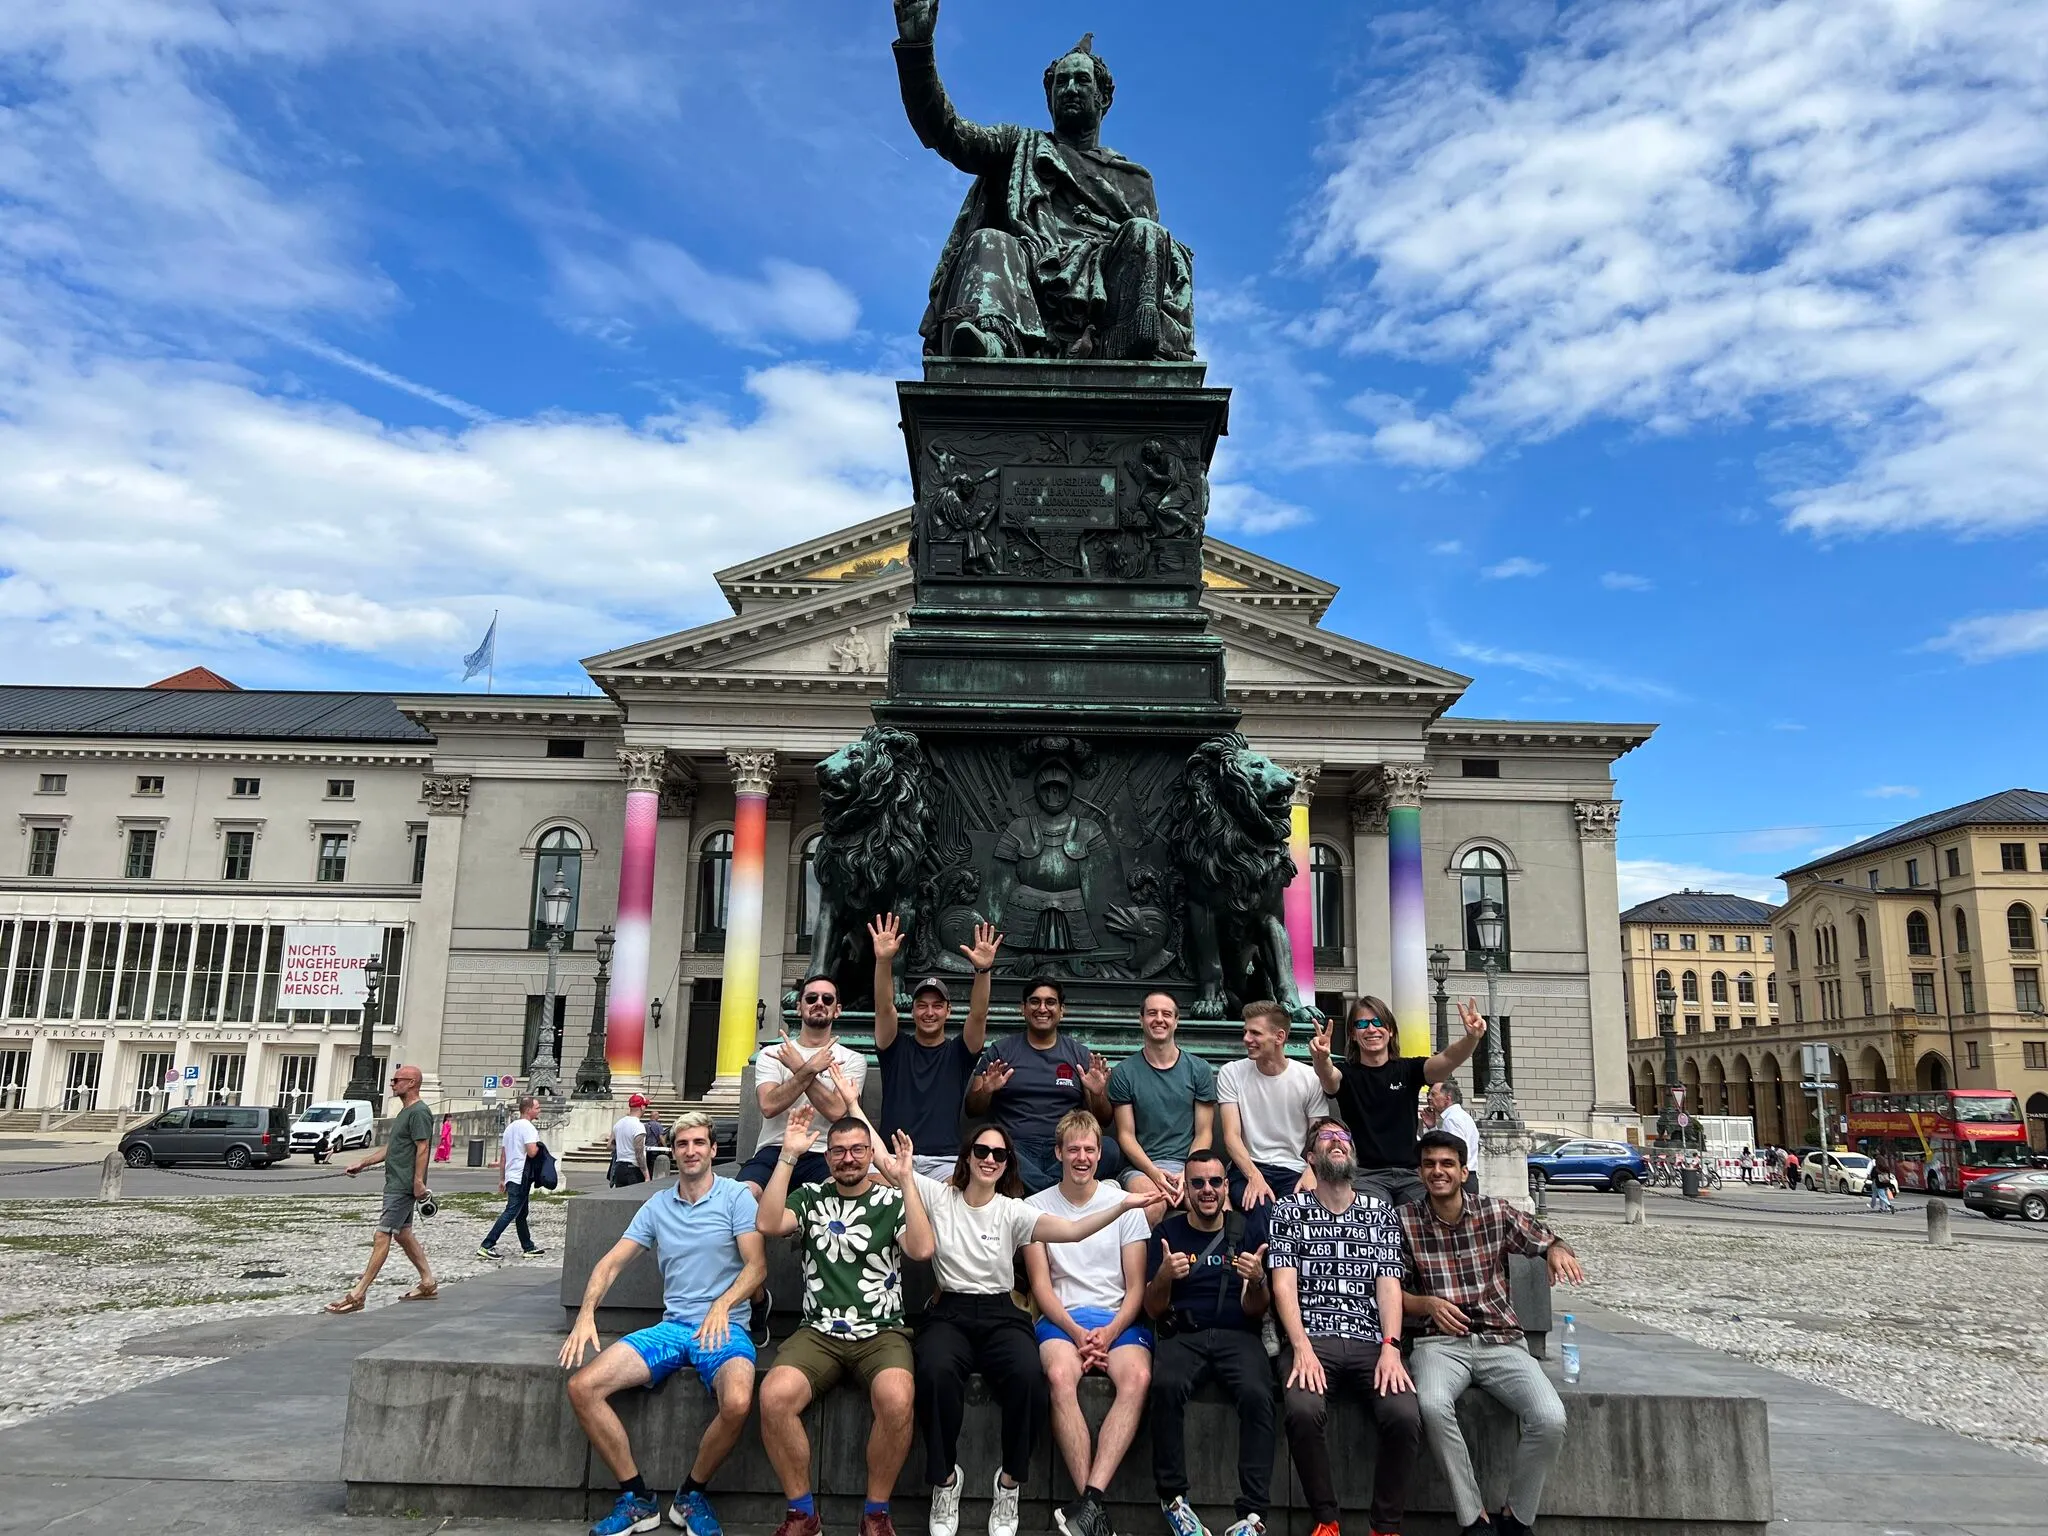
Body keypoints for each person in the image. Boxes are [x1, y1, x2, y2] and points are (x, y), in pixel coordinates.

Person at [911, 1121, 1165, 1536]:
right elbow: (889, 1166)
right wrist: (853, 1107)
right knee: (935, 1372)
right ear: (967, 1156)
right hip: (954, 1311)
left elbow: (1074, 1231)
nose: (989, 1159)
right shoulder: (940, 1196)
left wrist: (1122, 1205)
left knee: (1029, 1377)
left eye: (999, 1154)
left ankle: (1012, 1484)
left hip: (1002, 1310)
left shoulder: (1016, 1209)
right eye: (981, 1152)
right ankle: (945, 1480)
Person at [562, 1113, 765, 1536]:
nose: (690, 1151)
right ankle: (637, 1499)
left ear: (713, 1149)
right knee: (583, 1387)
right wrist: (585, 1314)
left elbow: (757, 1266)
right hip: (672, 1330)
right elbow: (611, 1263)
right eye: (682, 1145)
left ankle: (691, 1496)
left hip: (725, 1330)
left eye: (698, 1143)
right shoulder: (657, 1206)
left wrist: (723, 1304)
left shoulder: (735, 1198)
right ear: (672, 1153)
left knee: (739, 1402)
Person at [756, 1107, 934, 1536]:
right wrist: (787, 1157)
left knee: (897, 1397)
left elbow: (922, 1249)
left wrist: (906, 1179)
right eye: (838, 1151)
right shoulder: (812, 1197)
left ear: (871, 1154)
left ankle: (876, 1514)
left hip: (881, 1331)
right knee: (774, 1397)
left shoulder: (891, 1202)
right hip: (818, 1332)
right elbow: (767, 1222)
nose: (848, 1158)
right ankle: (803, 1514)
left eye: (858, 1150)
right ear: (828, 1155)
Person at [1401, 1130, 1581, 1536]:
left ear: (1464, 1172)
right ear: (1419, 1172)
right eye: (1430, 1164)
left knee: (1549, 1418)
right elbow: (1392, 1293)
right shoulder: (1406, 1220)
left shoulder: (1495, 1212)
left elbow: (1546, 1238)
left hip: (1501, 1341)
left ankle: (1517, 1517)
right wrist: (1427, 1304)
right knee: (1430, 1405)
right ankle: (1473, 1517)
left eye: (1447, 1164)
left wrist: (1555, 1250)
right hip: (1438, 1344)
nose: (1438, 1171)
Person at [1269, 1116, 1420, 1536]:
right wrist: (1299, 1347)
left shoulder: (1380, 1211)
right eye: (1327, 1138)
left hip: (1371, 1340)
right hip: (1312, 1337)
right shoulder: (1289, 1211)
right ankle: (1327, 1520)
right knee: (1302, 1409)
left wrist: (1392, 1347)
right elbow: (1283, 1285)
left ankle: (1385, 1526)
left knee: (1404, 1414)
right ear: (1310, 1157)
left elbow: (1389, 1286)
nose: (1337, 1142)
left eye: (1344, 1137)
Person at [1024, 1111, 1155, 1536]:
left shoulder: (1125, 1205)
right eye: (1074, 1149)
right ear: (1059, 1152)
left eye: (1090, 1150)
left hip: (1118, 1318)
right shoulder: (1034, 1208)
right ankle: (1090, 1511)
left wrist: (1111, 1331)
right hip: (1062, 1319)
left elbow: (1136, 1287)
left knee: (1136, 1376)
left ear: (1100, 1154)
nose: (1082, 1157)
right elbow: (1042, 1288)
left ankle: (1089, 1504)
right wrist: (1079, 1334)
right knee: (1060, 1375)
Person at [1144, 1146, 1273, 1536]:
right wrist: (1165, 1275)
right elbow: (1152, 1308)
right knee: (1165, 1387)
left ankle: (1253, 1514)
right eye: (1197, 1182)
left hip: (1238, 1333)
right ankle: (1173, 1499)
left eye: (1215, 1182)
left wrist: (1258, 1281)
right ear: (1186, 1186)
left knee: (1257, 1395)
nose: (1207, 1190)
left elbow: (1256, 1309)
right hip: (1186, 1333)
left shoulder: (1247, 1230)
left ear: (1224, 1186)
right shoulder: (1167, 1233)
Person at [1309, 995, 1487, 1208]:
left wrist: (1471, 1039)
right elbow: (1328, 1076)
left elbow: (1448, 1059)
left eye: (1378, 1023)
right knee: (1378, 1222)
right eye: (1362, 1024)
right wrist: (1321, 1058)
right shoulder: (1346, 1074)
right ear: (1353, 1035)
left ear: (1390, 1030)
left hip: (1411, 1175)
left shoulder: (1409, 1070)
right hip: (1366, 1175)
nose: (1371, 1029)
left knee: (1428, 1220)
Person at [871, 912, 999, 1178]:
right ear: (913, 1011)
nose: (929, 1012)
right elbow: (884, 1007)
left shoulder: (959, 1053)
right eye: (922, 1006)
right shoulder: (894, 1047)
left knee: (958, 1203)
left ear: (948, 1011)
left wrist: (983, 970)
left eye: (937, 1006)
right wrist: (884, 961)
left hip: (945, 1162)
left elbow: (978, 1014)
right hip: (892, 1157)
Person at [965, 976, 1116, 1193]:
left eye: (1050, 1002)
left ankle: (1039, 1191)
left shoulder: (1080, 1055)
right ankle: (1054, 1192)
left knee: (1109, 1149)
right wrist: (986, 1091)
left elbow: (1103, 1119)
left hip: (1066, 1150)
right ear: (1023, 1009)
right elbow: (972, 1109)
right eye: (1035, 1002)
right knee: (994, 1151)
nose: (1042, 1008)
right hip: (1017, 1150)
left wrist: (1098, 1093)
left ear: (1062, 1010)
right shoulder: (1000, 1052)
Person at [324, 1063, 438, 1312]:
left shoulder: (419, 1112)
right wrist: (362, 1163)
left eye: (397, 1080)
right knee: (403, 1233)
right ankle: (427, 1281)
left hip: (403, 1185)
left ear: (411, 1083)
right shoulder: (405, 1112)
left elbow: (423, 1147)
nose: (393, 1084)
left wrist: (418, 1182)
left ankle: (359, 1293)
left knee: (382, 1234)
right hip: (397, 1181)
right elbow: (392, 1148)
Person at [1216, 1000, 1330, 1245]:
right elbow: (1231, 1136)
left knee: (1299, 1211)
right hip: (1248, 1167)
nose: (1247, 1038)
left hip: (1294, 1170)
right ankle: (1262, 1281)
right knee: (1259, 1207)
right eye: (1245, 1032)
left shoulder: (1309, 1078)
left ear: (1279, 1036)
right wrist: (1254, 1177)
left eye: (1255, 1033)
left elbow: (1318, 1136)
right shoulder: (1231, 1073)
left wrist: (1312, 1172)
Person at [740, 974, 866, 1194]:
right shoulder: (772, 1054)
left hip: (824, 1153)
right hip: (774, 1148)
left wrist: (800, 1067)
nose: (819, 1003)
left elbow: (836, 1111)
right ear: (799, 1007)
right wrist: (809, 1069)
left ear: (837, 1010)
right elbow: (769, 1106)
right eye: (811, 998)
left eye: (827, 999)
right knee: (744, 1193)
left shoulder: (852, 1059)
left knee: (837, 1197)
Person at [1108, 990, 1217, 1215]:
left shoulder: (1199, 1069)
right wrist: (1154, 1173)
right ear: (1141, 1020)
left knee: (1210, 1205)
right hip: (1141, 1168)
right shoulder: (1124, 1073)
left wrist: (1188, 1173)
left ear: (1176, 1021)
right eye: (1152, 1013)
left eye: (1166, 1014)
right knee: (1151, 1206)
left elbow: (1204, 1132)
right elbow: (1126, 1136)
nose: (1159, 1019)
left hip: (1189, 1164)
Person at [479, 1094, 546, 1259]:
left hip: (511, 1174)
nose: (539, 1110)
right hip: (521, 1174)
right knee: (511, 1211)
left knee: (521, 1213)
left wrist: (502, 1178)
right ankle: (487, 1245)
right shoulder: (528, 1128)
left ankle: (528, 1246)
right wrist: (541, 1149)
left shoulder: (510, 1127)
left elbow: (503, 1156)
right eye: (537, 1107)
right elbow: (531, 1152)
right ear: (529, 1109)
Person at [1428, 1081, 1481, 1197]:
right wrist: (1433, 1127)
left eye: (1433, 1094)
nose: (1429, 1098)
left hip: (1460, 1178)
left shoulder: (1452, 1119)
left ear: (1447, 1098)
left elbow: (1455, 1151)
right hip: (1467, 1176)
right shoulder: (1462, 1116)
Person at [610, 1094, 651, 1188]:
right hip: (633, 1169)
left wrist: (622, 1147)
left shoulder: (618, 1123)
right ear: (642, 1107)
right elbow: (639, 1153)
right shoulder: (639, 1126)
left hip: (619, 1167)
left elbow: (609, 1145)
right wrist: (646, 1175)